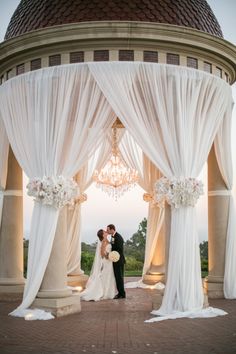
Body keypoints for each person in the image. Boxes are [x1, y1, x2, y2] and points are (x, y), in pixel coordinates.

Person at [80, 229, 117, 301]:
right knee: (104, 276)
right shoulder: (103, 242)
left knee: (109, 276)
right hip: (106, 262)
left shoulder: (107, 241)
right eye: (104, 232)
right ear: (103, 235)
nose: (106, 232)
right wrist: (109, 256)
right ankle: (103, 292)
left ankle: (108, 292)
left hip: (109, 262)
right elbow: (102, 254)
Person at [107, 224, 126, 299]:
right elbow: (113, 247)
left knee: (119, 277)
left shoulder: (118, 237)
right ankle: (120, 293)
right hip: (115, 260)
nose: (107, 231)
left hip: (118, 260)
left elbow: (119, 250)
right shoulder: (113, 237)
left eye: (108, 229)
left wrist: (111, 254)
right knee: (117, 277)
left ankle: (122, 294)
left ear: (112, 229)